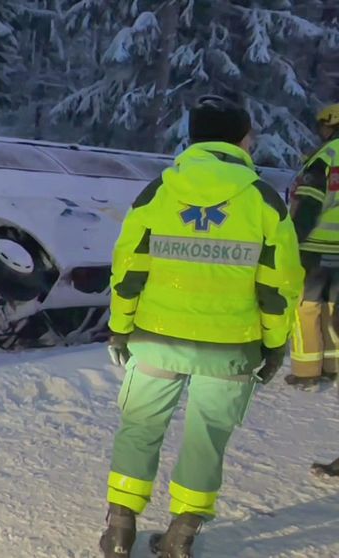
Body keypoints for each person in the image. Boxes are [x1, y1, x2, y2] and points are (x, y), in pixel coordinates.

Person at [98, 96, 304, 558]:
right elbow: (280, 284)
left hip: (156, 338)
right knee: (207, 435)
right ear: (239, 139)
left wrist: (120, 327)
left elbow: (128, 269)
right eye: (249, 136)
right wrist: (274, 344)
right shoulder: (262, 198)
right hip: (231, 345)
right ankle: (181, 536)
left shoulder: (158, 191)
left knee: (139, 426)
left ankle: (119, 531)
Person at [285, 103, 339, 387]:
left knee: (306, 308)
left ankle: (306, 372)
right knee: (333, 307)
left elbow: (309, 202)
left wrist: (292, 240)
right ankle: (332, 366)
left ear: (331, 125)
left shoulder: (326, 156)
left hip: (315, 247)